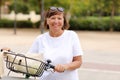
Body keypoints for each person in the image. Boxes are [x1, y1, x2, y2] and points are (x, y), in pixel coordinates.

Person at [28, 6, 83, 80]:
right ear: (47, 21)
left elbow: (78, 61)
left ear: (63, 21)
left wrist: (65, 67)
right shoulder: (40, 39)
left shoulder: (71, 36)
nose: (56, 21)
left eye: (59, 18)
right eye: (53, 18)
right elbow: (28, 59)